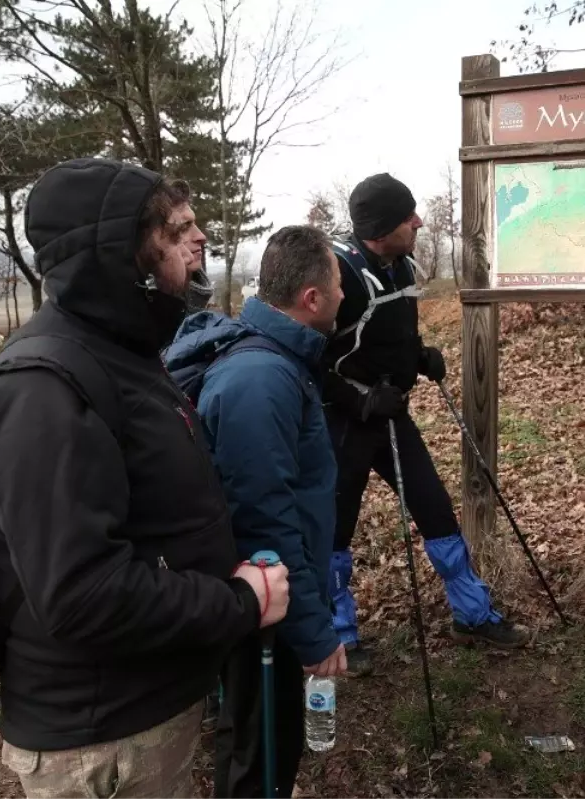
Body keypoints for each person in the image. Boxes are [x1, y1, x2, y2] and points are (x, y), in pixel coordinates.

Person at [0, 156, 290, 798]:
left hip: (139, 718)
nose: (200, 240)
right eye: (178, 229)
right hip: (100, 744)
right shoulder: (43, 389)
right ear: (122, 253)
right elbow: (80, 593)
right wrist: (238, 603)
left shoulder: (122, 351)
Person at [165, 225, 346, 798]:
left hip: (272, 601)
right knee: (259, 750)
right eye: (338, 284)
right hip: (261, 609)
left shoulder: (279, 363)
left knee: (260, 740)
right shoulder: (260, 378)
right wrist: (314, 632)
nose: (345, 295)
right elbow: (263, 522)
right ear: (311, 299)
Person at [322, 173, 528, 677]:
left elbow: (390, 335)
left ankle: (471, 614)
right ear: (379, 227)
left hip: (393, 415)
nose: (418, 221)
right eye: (407, 215)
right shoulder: (340, 274)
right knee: (334, 531)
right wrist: (359, 400)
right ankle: (338, 636)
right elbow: (310, 360)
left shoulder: (401, 265)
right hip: (345, 425)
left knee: (434, 508)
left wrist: (419, 356)